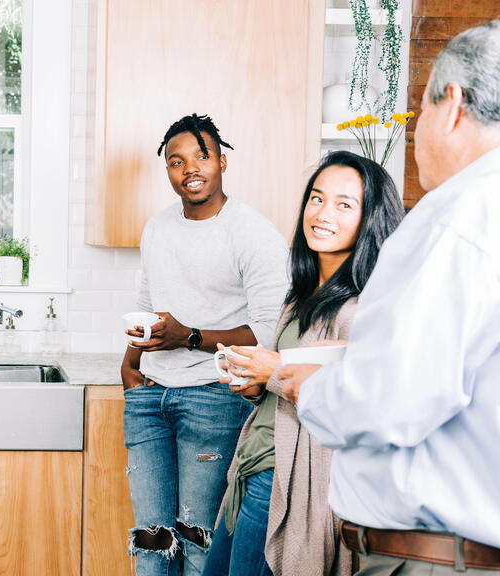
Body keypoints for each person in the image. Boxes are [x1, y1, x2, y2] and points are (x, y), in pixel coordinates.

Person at [280, 21, 500, 575]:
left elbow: (393, 398)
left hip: (434, 558)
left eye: (418, 113)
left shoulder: (455, 219)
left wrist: (314, 389)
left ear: (451, 105)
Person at [202, 151, 404, 576]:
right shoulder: (301, 298)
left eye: (344, 204)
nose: (322, 213)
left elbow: (357, 403)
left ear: (371, 219)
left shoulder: (363, 309)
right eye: (316, 198)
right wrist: (257, 384)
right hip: (251, 469)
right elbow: (291, 388)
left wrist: (273, 372)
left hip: (286, 485)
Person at [121, 113, 289, 576]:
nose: (189, 168)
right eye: (176, 161)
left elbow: (266, 334)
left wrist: (189, 337)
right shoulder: (157, 227)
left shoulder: (254, 234)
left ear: (222, 162)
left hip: (214, 398)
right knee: (152, 541)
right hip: (149, 396)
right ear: (168, 171)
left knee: (199, 541)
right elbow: (147, 302)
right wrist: (130, 365)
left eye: (201, 156)